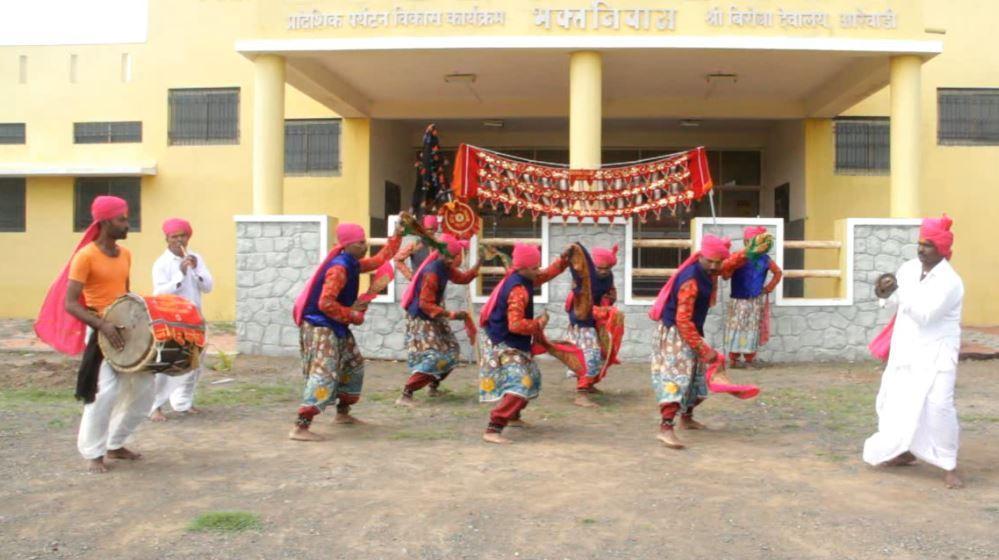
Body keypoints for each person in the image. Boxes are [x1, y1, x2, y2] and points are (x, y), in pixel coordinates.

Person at [35, 195, 153, 473]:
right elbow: (71, 303)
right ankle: (93, 452)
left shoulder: (125, 254)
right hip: (99, 332)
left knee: (146, 389)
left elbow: (123, 293)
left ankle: (115, 442)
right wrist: (102, 325)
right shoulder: (85, 256)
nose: (128, 224)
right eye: (122, 219)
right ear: (104, 221)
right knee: (104, 392)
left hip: (125, 331)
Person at [863, 214, 964, 489]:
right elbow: (892, 299)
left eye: (928, 244)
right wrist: (883, 293)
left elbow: (926, 315)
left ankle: (949, 465)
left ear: (942, 249)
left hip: (937, 352)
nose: (921, 249)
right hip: (906, 348)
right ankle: (902, 451)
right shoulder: (908, 268)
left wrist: (900, 293)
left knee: (938, 406)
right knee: (896, 400)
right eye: (920, 243)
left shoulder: (951, 282)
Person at [288, 222, 403, 441]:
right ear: (348, 244)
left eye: (365, 241)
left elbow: (380, 260)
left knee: (354, 364)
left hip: (335, 324)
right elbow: (325, 303)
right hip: (320, 325)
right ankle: (300, 426)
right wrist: (352, 314)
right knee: (324, 373)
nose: (365, 246)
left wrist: (397, 236)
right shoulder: (339, 268)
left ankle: (343, 414)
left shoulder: (352, 263)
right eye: (361, 243)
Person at [478, 243, 572, 444]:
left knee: (532, 377)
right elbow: (515, 324)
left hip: (509, 340)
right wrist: (539, 323)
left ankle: (512, 416)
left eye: (538, 266)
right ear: (522, 268)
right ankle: (494, 427)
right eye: (534, 267)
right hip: (503, 341)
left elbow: (544, 275)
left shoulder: (524, 277)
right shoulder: (517, 289)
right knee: (521, 383)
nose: (538, 270)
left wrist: (563, 260)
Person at [647, 234, 732, 449]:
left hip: (689, 330)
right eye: (710, 260)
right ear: (701, 255)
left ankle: (687, 417)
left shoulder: (706, 270)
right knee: (675, 379)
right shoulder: (691, 280)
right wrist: (703, 348)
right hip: (676, 333)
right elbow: (682, 320)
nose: (714, 266)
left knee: (695, 377)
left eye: (718, 262)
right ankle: (665, 429)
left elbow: (731, 264)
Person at [395, 234, 480, 406]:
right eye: (448, 256)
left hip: (433, 314)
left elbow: (462, 279)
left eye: (453, 257)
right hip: (421, 316)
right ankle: (406, 394)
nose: (450, 260)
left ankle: (433, 386)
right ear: (440, 253)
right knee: (435, 357)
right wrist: (452, 315)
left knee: (452, 350)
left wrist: (479, 263)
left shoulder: (445, 268)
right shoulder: (432, 272)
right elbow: (425, 304)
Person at [148, 218, 213, 421]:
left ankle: (183, 403)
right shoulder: (162, 263)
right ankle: (154, 406)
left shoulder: (196, 258)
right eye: (174, 237)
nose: (179, 240)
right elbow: (159, 293)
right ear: (166, 239)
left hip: (194, 317)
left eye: (182, 236)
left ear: (188, 237)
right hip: (171, 320)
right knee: (167, 363)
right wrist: (180, 274)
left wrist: (195, 270)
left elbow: (208, 286)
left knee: (194, 361)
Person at [564, 244, 618, 408]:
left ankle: (590, 384)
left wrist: (608, 304)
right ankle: (581, 393)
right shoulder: (584, 276)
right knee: (589, 353)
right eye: (600, 268)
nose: (603, 271)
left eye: (606, 268)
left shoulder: (609, 277)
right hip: (582, 318)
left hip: (597, 317)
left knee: (602, 351)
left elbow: (608, 294)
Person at [722, 226, 782, 368]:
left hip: (755, 301)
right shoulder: (738, 257)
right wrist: (728, 270)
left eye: (750, 241)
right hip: (737, 300)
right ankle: (734, 360)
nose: (748, 243)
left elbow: (778, 273)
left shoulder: (765, 259)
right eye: (747, 241)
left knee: (751, 328)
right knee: (737, 328)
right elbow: (725, 275)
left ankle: (749, 359)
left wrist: (768, 288)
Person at [393, 215, 439, 281]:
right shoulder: (415, 245)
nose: (428, 232)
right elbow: (397, 259)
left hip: (436, 287)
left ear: (435, 229)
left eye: (431, 229)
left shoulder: (439, 246)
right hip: (418, 287)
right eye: (426, 229)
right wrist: (411, 277)